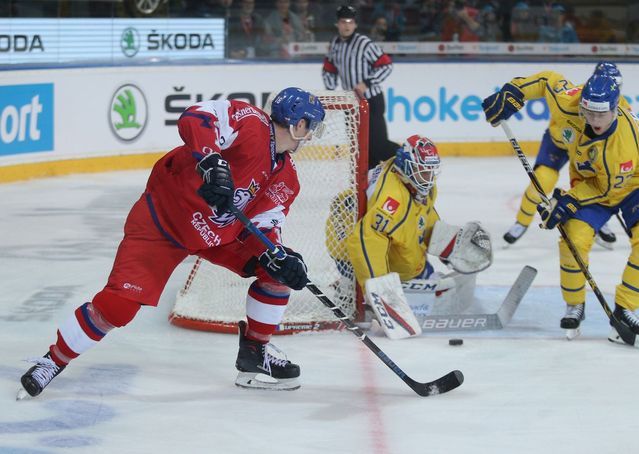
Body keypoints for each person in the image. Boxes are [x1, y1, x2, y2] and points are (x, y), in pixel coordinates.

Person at [18, 88, 326, 397]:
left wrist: (277, 253)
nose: (311, 135)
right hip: (163, 220)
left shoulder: (288, 178)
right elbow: (197, 117)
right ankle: (53, 361)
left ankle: (255, 354)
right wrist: (210, 159)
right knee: (118, 307)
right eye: (311, 126)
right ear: (298, 124)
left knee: (276, 270)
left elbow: (263, 226)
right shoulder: (250, 123)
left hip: (217, 236)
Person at [482, 70, 639, 341]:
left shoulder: (622, 144)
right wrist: (513, 91)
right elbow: (546, 81)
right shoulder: (570, 103)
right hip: (593, 179)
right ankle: (574, 303)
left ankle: (626, 308)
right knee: (574, 238)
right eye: (588, 112)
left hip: (638, 183)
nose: (593, 120)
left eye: (601, 115)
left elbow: (606, 189)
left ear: (616, 108)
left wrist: (567, 200)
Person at [325, 135, 492, 339]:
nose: (428, 177)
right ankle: (350, 291)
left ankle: (418, 276)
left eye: (431, 170)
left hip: (371, 229)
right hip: (347, 238)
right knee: (362, 298)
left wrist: (450, 245)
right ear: (407, 166)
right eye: (423, 171)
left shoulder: (414, 183)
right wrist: (380, 292)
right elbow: (365, 241)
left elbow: (422, 219)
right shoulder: (392, 200)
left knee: (409, 249)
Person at [501, 61, 625, 249]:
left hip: (589, 151)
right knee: (541, 182)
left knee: (594, 187)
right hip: (559, 144)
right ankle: (521, 222)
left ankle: (598, 221)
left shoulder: (621, 107)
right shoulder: (573, 98)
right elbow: (547, 82)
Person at [322, 5, 400, 169]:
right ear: (338, 24)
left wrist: (367, 83)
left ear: (355, 24)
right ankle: (365, 188)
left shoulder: (364, 44)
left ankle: (410, 161)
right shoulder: (335, 44)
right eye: (343, 22)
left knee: (378, 145)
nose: (347, 25)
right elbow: (329, 68)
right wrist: (330, 89)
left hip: (371, 100)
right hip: (351, 103)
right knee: (359, 148)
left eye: (350, 22)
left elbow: (386, 65)